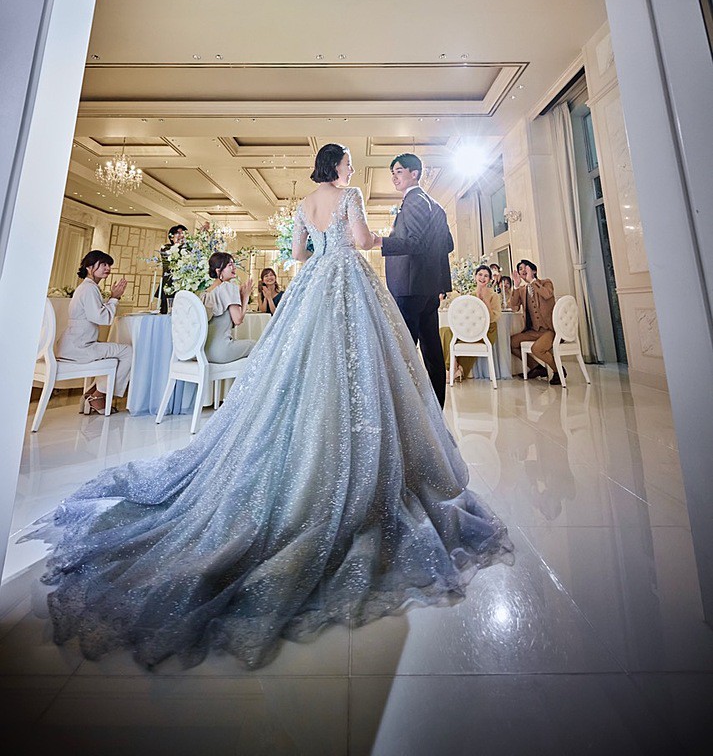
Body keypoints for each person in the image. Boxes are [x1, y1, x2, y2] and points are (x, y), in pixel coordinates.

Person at [25, 143, 512, 672]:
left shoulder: (304, 202)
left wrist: (326, 243)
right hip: (349, 281)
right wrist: (373, 239)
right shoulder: (349, 194)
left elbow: (298, 255)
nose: (352, 168)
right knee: (362, 365)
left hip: (313, 286)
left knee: (300, 369)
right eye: (348, 161)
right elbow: (360, 241)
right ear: (338, 166)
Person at [377, 152, 454, 408]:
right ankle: (435, 407)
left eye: (399, 171)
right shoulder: (436, 205)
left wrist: (380, 241)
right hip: (428, 288)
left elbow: (414, 243)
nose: (394, 177)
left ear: (414, 173)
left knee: (406, 350)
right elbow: (448, 245)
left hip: (410, 287)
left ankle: (408, 411)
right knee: (432, 350)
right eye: (392, 173)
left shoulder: (414, 201)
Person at [57, 250, 132, 414]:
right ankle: (98, 396)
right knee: (128, 352)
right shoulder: (89, 289)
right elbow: (102, 318)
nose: (108, 268)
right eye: (103, 264)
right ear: (89, 267)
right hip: (80, 347)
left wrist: (112, 297)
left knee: (115, 355)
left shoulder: (87, 287)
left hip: (73, 345)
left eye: (109, 265)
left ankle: (92, 393)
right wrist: (114, 298)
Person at [509, 259, 565, 385]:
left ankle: (558, 371)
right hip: (534, 331)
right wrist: (516, 286)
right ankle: (536, 367)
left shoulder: (546, 283)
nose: (522, 271)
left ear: (533, 270)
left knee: (537, 349)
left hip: (550, 330)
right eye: (520, 269)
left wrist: (532, 281)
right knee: (512, 343)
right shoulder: (522, 290)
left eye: (525, 268)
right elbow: (514, 306)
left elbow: (547, 294)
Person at [201, 252, 255, 363]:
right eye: (230, 265)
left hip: (204, 353)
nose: (234, 267)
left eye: (234, 264)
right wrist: (246, 296)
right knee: (258, 345)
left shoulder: (205, 293)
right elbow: (238, 320)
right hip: (221, 352)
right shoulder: (228, 287)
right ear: (218, 271)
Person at [155, 224, 188, 314]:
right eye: (178, 233)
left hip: (183, 285)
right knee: (166, 311)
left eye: (183, 233)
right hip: (168, 285)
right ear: (171, 236)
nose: (181, 236)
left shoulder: (188, 250)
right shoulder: (166, 248)